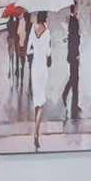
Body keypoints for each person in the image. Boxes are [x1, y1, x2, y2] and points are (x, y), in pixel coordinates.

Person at [27, 12, 55, 150]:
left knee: (35, 100)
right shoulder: (47, 31)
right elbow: (48, 52)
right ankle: (36, 133)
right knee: (41, 103)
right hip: (43, 68)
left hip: (34, 67)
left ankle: (35, 129)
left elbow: (28, 48)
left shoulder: (32, 29)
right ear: (45, 18)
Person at [61, 6, 84, 125]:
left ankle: (70, 100)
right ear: (74, 9)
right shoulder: (74, 21)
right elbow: (74, 39)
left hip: (72, 53)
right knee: (75, 78)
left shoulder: (73, 20)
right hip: (74, 54)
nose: (78, 10)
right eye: (77, 8)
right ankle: (74, 106)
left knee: (74, 77)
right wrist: (76, 54)